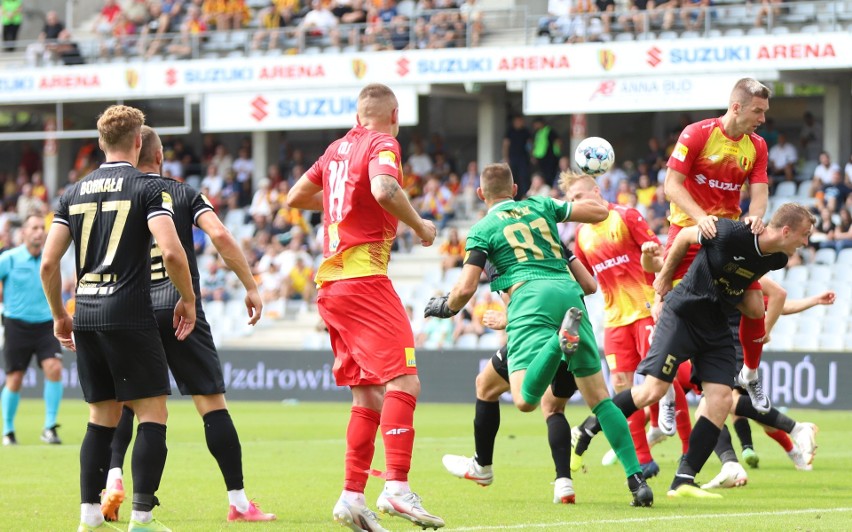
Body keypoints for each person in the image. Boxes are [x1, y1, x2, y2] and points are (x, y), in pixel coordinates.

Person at [424, 164, 653, 507]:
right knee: (601, 400)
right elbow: (600, 211)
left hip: (530, 301)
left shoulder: (483, 229)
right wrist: (568, 207)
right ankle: (637, 481)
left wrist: (444, 307)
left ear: (480, 194)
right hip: (568, 293)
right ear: (515, 188)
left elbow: (465, 288)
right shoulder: (541, 206)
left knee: (525, 400)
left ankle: (556, 343)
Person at [287, 83, 444, 532]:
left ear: (359, 113)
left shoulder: (336, 148)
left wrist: (343, 200)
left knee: (367, 393)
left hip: (331, 286)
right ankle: (396, 487)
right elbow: (383, 188)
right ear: (393, 114)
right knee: (405, 380)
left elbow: (295, 197)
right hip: (364, 278)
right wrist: (419, 226)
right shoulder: (382, 142)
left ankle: (352, 496)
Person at [99, 126, 275, 524]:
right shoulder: (181, 193)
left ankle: (113, 479)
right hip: (180, 307)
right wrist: (250, 285)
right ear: (159, 156)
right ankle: (239, 502)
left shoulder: (113, 196)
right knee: (211, 404)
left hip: (130, 311)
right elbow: (221, 235)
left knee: (131, 403)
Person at [39, 104, 197, 532]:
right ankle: (142, 520)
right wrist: (188, 300)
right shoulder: (148, 187)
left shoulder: (72, 192)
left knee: (100, 418)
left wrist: (59, 314)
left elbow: (49, 264)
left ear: (100, 141)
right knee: (152, 413)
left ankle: (89, 516)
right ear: (139, 141)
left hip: (86, 313)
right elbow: (171, 250)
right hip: (129, 312)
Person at [600, 204, 814, 499]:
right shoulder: (727, 233)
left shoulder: (776, 258)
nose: (806, 243)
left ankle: (691, 475)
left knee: (722, 399)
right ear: (786, 230)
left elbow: (769, 298)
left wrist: (768, 319)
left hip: (719, 331)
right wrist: (660, 287)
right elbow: (681, 239)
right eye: (804, 235)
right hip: (689, 316)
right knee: (661, 391)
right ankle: (595, 424)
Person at [441, 245, 598, 504]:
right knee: (555, 408)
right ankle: (564, 483)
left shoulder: (499, 247)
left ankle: (482, 466)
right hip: (575, 332)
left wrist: (507, 320)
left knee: (488, 386)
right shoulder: (553, 242)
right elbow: (590, 286)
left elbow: (517, 304)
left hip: (533, 336)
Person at [661, 77, 772, 420]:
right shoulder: (697, 134)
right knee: (666, 308)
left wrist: (755, 218)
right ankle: (664, 391)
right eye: (758, 110)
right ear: (736, 107)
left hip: (729, 235)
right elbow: (671, 185)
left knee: (755, 307)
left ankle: (750, 374)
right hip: (689, 231)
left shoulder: (757, 146)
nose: (763, 118)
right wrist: (699, 218)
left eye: (765, 112)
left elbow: (760, 193)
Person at [561, 172, 673, 480]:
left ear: (596, 191)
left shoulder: (626, 215)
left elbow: (660, 259)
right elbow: (585, 282)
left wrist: (659, 283)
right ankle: (644, 460)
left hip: (646, 310)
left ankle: (686, 454)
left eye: (579, 197)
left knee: (660, 382)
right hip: (614, 320)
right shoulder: (582, 237)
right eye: (571, 201)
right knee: (622, 387)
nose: (575, 205)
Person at [0, 215, 64, 446]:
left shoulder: (52, 257)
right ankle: (7, 430)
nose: (39, 232)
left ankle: (49, 427)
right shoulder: (9, 258)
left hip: (46, 324)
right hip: (17, 324)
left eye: (41, 228)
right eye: (34, 228)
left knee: (54, 368)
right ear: (24, 233)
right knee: (14, 379)